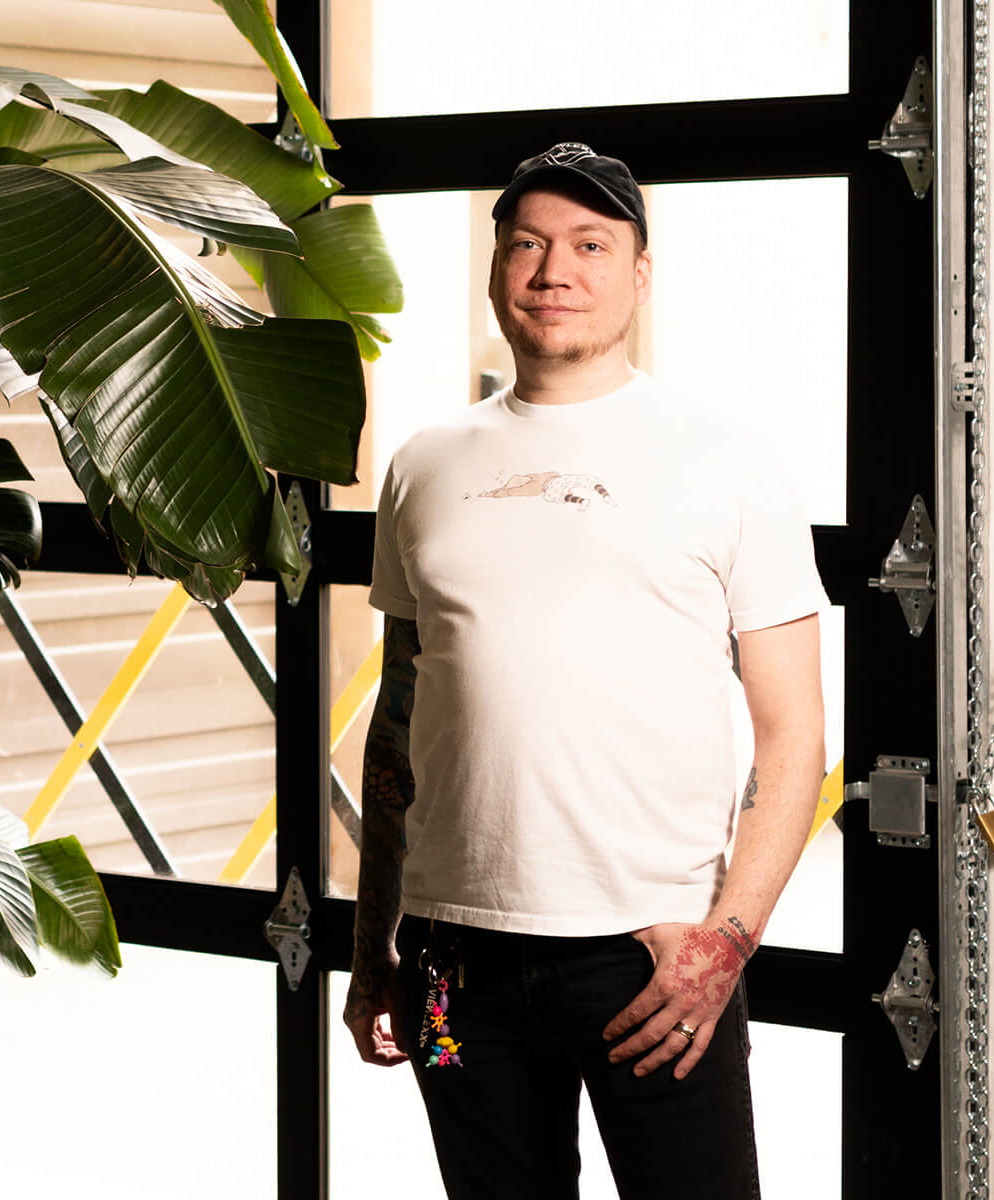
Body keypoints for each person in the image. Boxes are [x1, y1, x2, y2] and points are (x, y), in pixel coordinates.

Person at [341, 142, 827, 1199]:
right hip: (447, 966)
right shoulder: (422, 465)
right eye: (526, 245)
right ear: (494, 272)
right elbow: (398, 724)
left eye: (589, 245)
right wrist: (374, 944)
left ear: (638, 275)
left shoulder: (727, 461)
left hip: (651, 960)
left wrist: (726, 944)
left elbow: (794, 739)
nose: (552, 270)